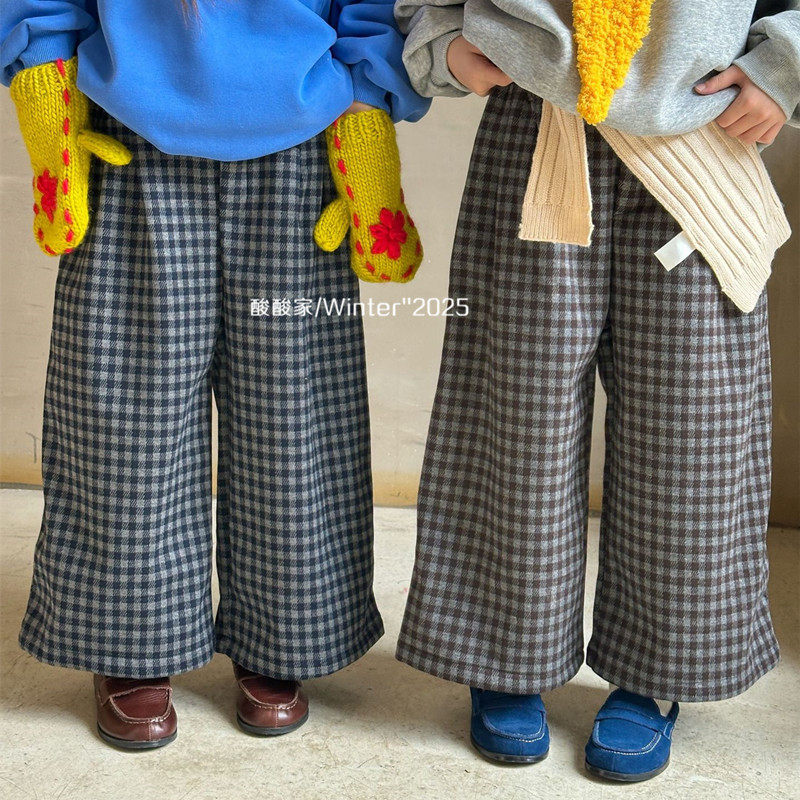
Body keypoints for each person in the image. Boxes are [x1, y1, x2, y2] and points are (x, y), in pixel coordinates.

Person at [1, 0, 428, 750]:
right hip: (132, 129)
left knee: (297, 413)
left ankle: (283, 633)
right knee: (126, 414)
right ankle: (129, 638)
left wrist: (366, 115)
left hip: (304, 134)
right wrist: (45, 90)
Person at [393, 0, 798, 782]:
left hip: (701, 132)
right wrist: (442, 38)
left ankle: (659, 667)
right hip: (537, 115)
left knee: (693, 428)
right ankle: (505, 652)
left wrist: (784, 65)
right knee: (514, 410)